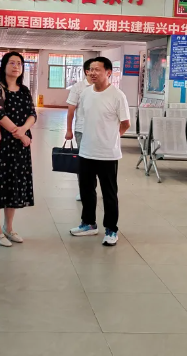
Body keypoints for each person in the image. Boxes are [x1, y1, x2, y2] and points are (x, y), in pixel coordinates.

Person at [70, 57, 130, 247]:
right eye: (90, 69)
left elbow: (125, 123)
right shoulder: (85, 93)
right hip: (86, 150)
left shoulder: (117, 95)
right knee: (86, 190)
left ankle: (111, 229)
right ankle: (88, 223)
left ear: (108, 72)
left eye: (97, 69)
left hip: (107, 154)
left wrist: (112, 138)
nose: (92, 72)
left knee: (109, 193)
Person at [0, 52, 37, 247]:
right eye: (12, 63)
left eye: (19, 63)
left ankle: (8, 228)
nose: (16, 66)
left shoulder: (24, 90)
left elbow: (32, 114)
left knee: (14, 186)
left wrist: (23, 130)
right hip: (2, 146)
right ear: (4, 66)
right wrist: (20, 133)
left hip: (20, 147)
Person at [65, 58, 94, 201]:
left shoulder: (105, 87)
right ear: (87, 71)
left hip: (100, 132)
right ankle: (83, 191)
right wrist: (69, 130)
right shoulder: (78, 87)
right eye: (93, 70)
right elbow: (71, 110)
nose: (95, 73)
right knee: (84, 162)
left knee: (98, 162)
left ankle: (94, 188)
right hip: (82, 130)